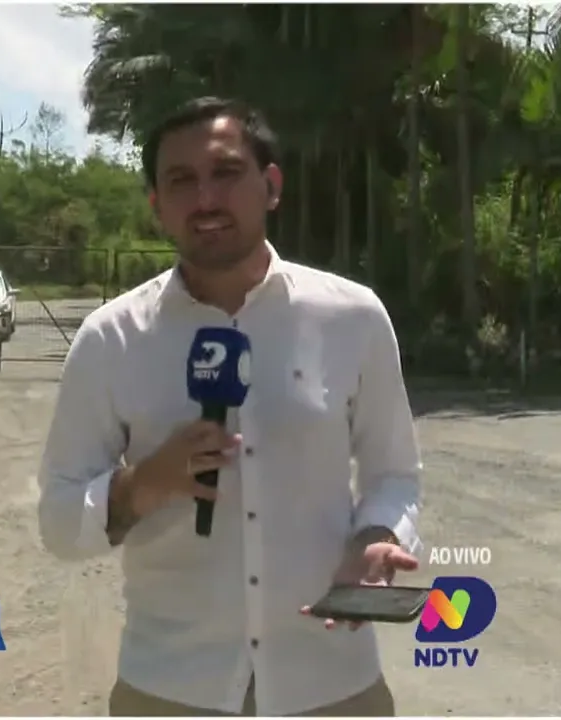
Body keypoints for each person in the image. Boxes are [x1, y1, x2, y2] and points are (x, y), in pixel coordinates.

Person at [36, 97, 423, 717]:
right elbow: (58, 519)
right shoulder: (111, 338)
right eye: (181, 181)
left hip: (331, 682)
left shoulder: (354, 317)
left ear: (270, 186)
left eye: (225, 173)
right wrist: (144, 484)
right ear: (157, 207)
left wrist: (377, 537)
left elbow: (394, 475)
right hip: (168, 688)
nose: (206, 199)